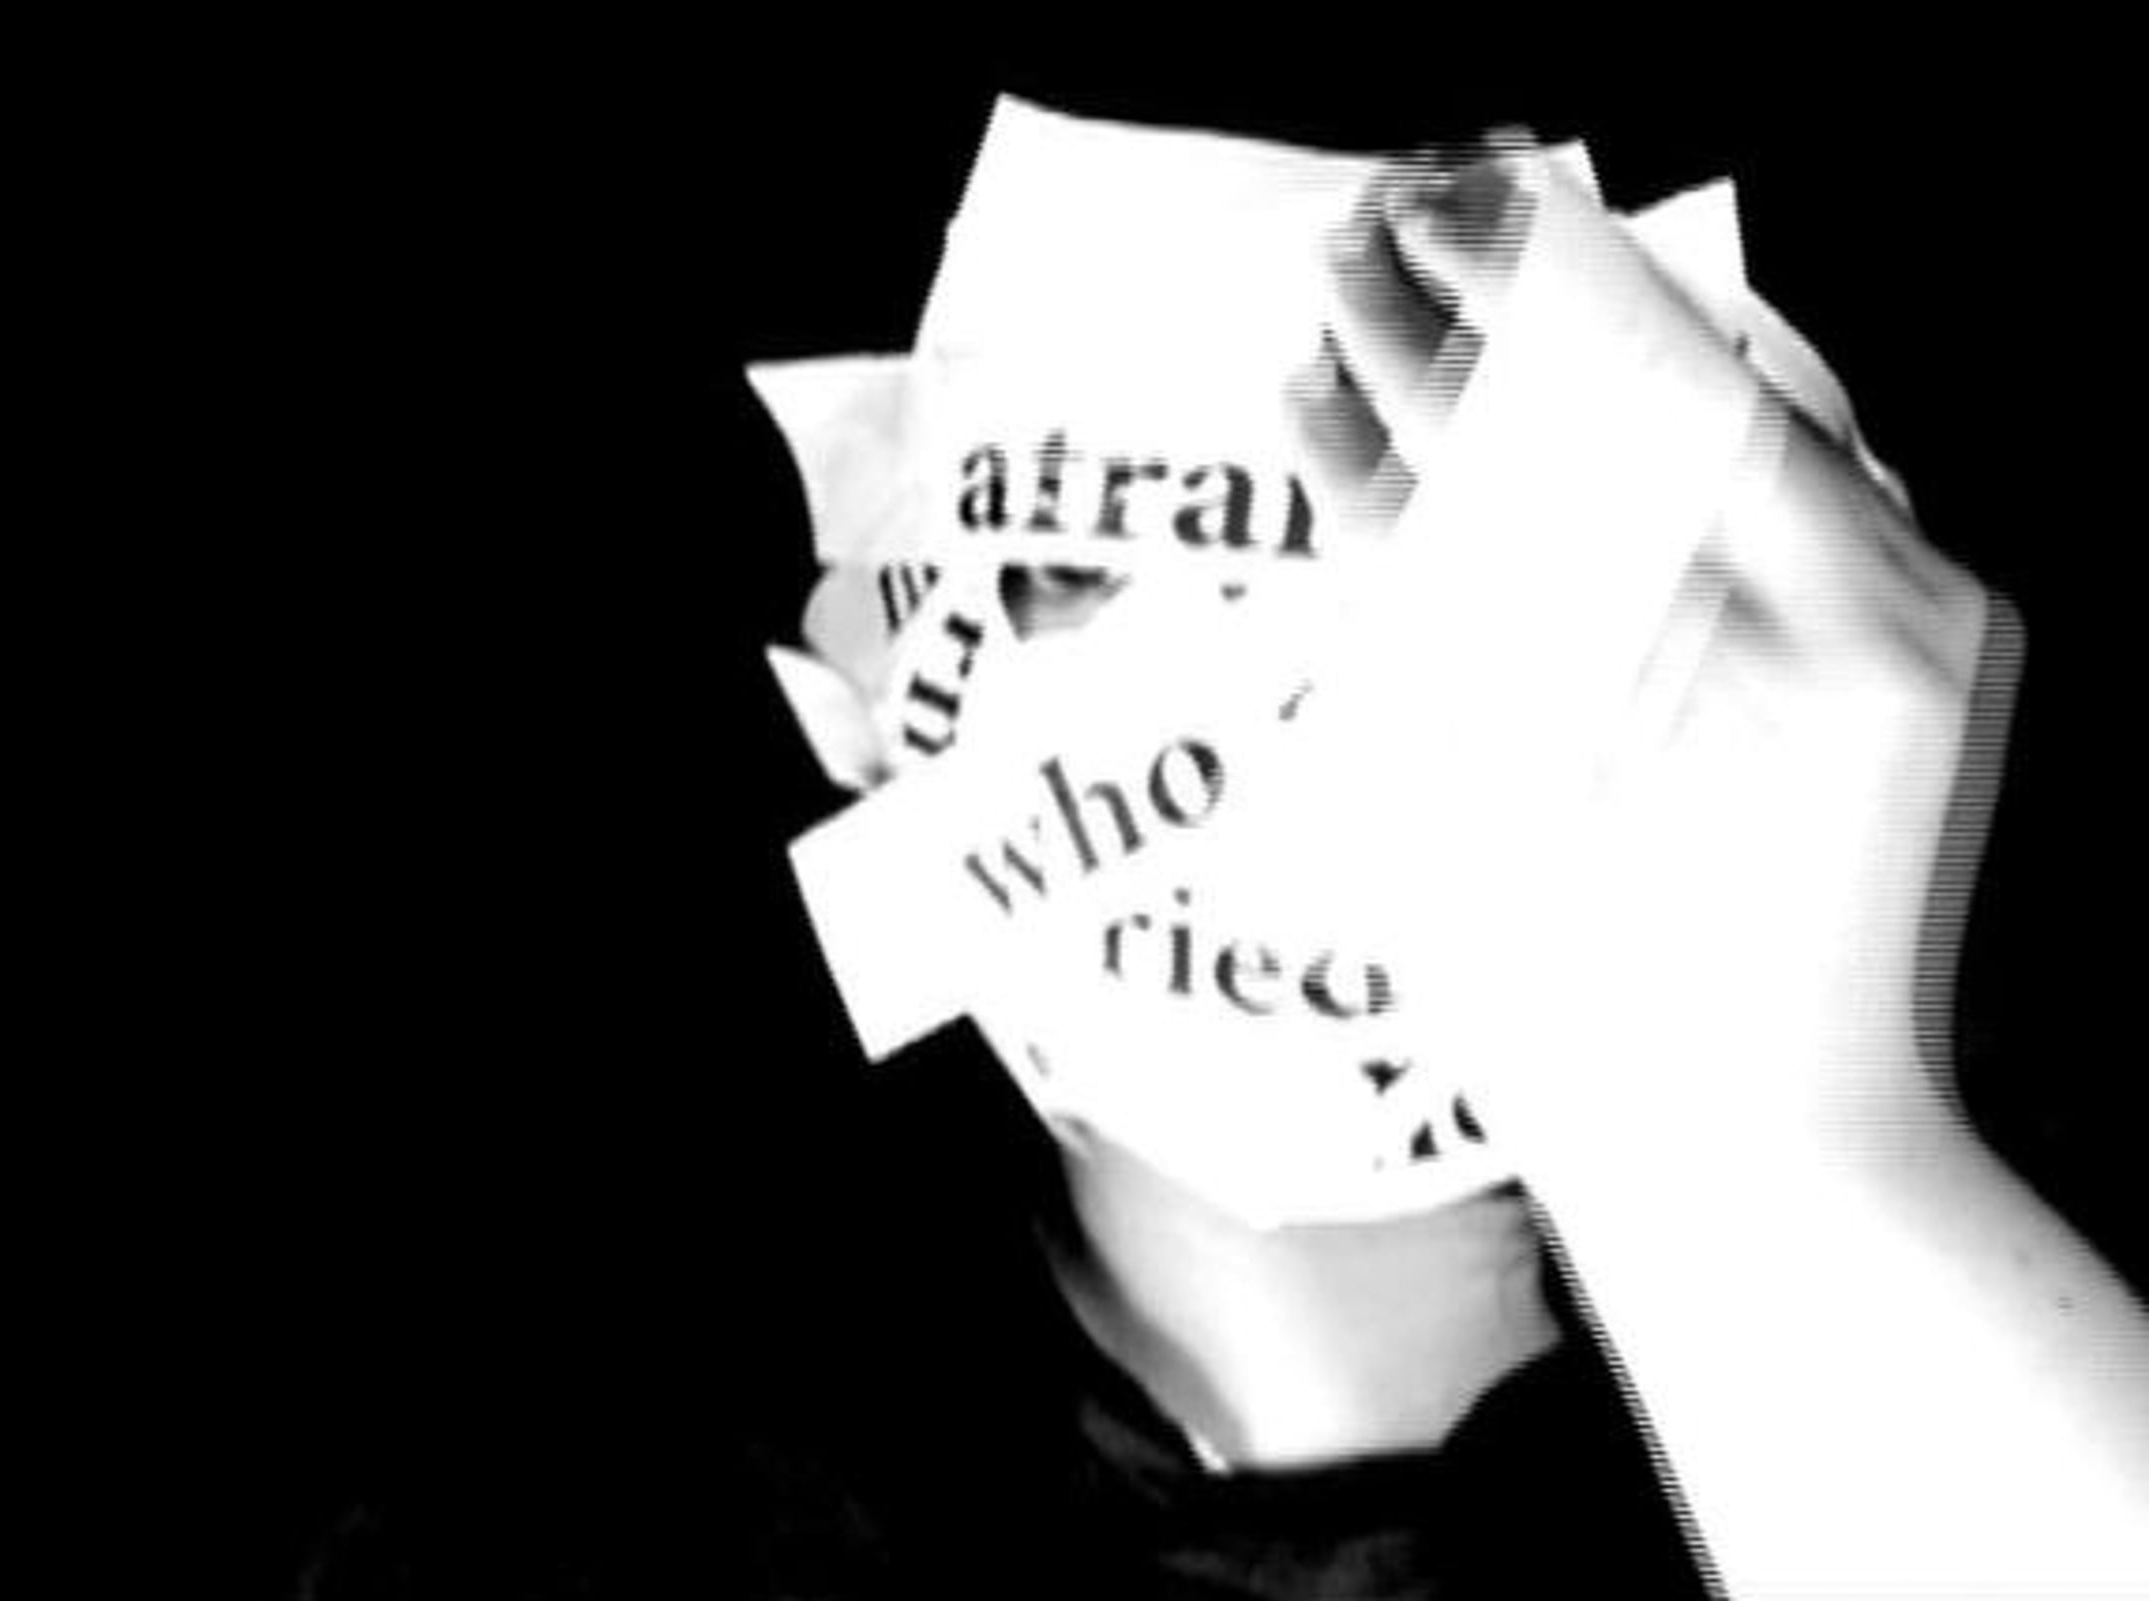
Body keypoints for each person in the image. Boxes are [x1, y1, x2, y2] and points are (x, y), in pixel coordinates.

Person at [298, 133, 2149, 1601]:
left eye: (1451, 549)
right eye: (1100, 565)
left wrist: (1798, 1174)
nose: (1308, 686)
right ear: (860, 702)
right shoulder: (547, 1546)